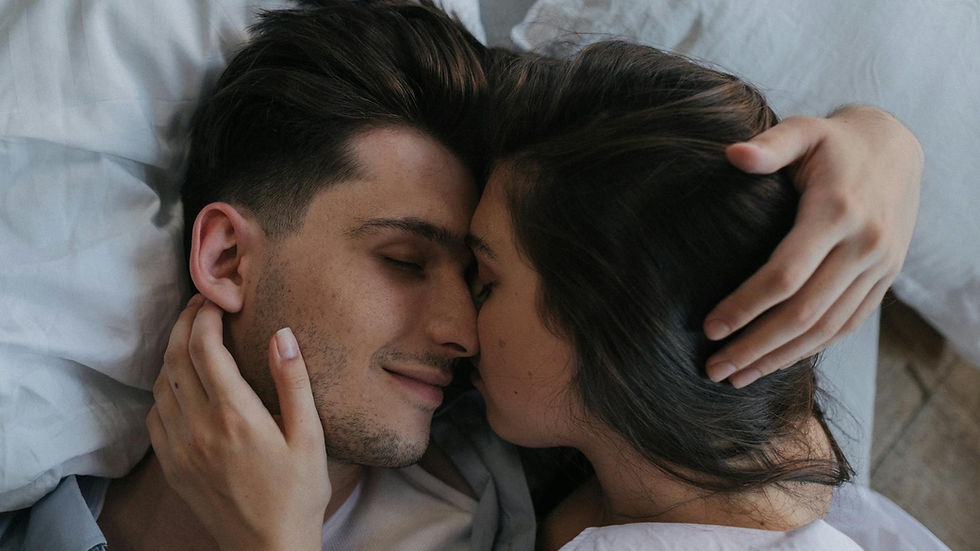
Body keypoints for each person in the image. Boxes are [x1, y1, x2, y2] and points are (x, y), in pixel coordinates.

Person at [0, 1, 925, 550]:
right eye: (403, 259)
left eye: (479, 277)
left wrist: (876, 144)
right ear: (227, 257)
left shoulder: (548, 471)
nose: (462, 328)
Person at [460, 43, 944, 549]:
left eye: (488, 282)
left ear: (622, 323)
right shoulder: (760, 438)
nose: (459, 310)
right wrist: (881, 135)